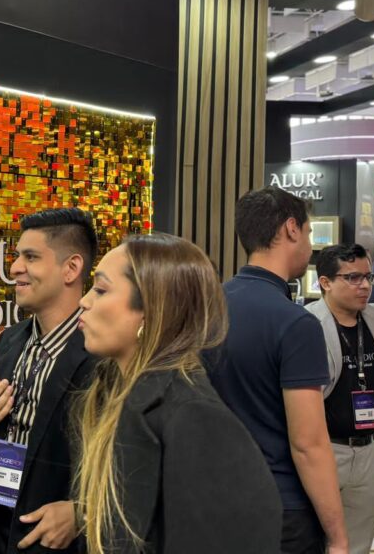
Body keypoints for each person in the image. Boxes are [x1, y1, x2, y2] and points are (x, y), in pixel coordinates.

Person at [74, 233, 280, 553]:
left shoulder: (193, 416)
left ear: (152, 309)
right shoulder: (113, 394)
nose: (84, 301)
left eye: (101, 289)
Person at [206, 186, 348, 554]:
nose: (311, 245)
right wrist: (338, 537)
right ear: (291, 229)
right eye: (309, 232)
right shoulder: (296, 324)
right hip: (281, 508)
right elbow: (308, 444)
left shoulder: (207, 307)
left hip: (212, 498)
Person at [0, 208, 98, 554]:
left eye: (31, 257)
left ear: (71, 268)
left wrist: (83, 512)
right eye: (17, 256)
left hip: (59, 543)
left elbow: (130, 464)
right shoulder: (9, 342)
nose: (14, 268)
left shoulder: (102, 354)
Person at [306, 244, 374, 554]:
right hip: (325, 448)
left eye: (368, 277)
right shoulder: (306, 324)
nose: (365, 285)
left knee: (359, 541)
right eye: (353, 278)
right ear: (325, 282)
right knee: (313, 538)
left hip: (370, 448)